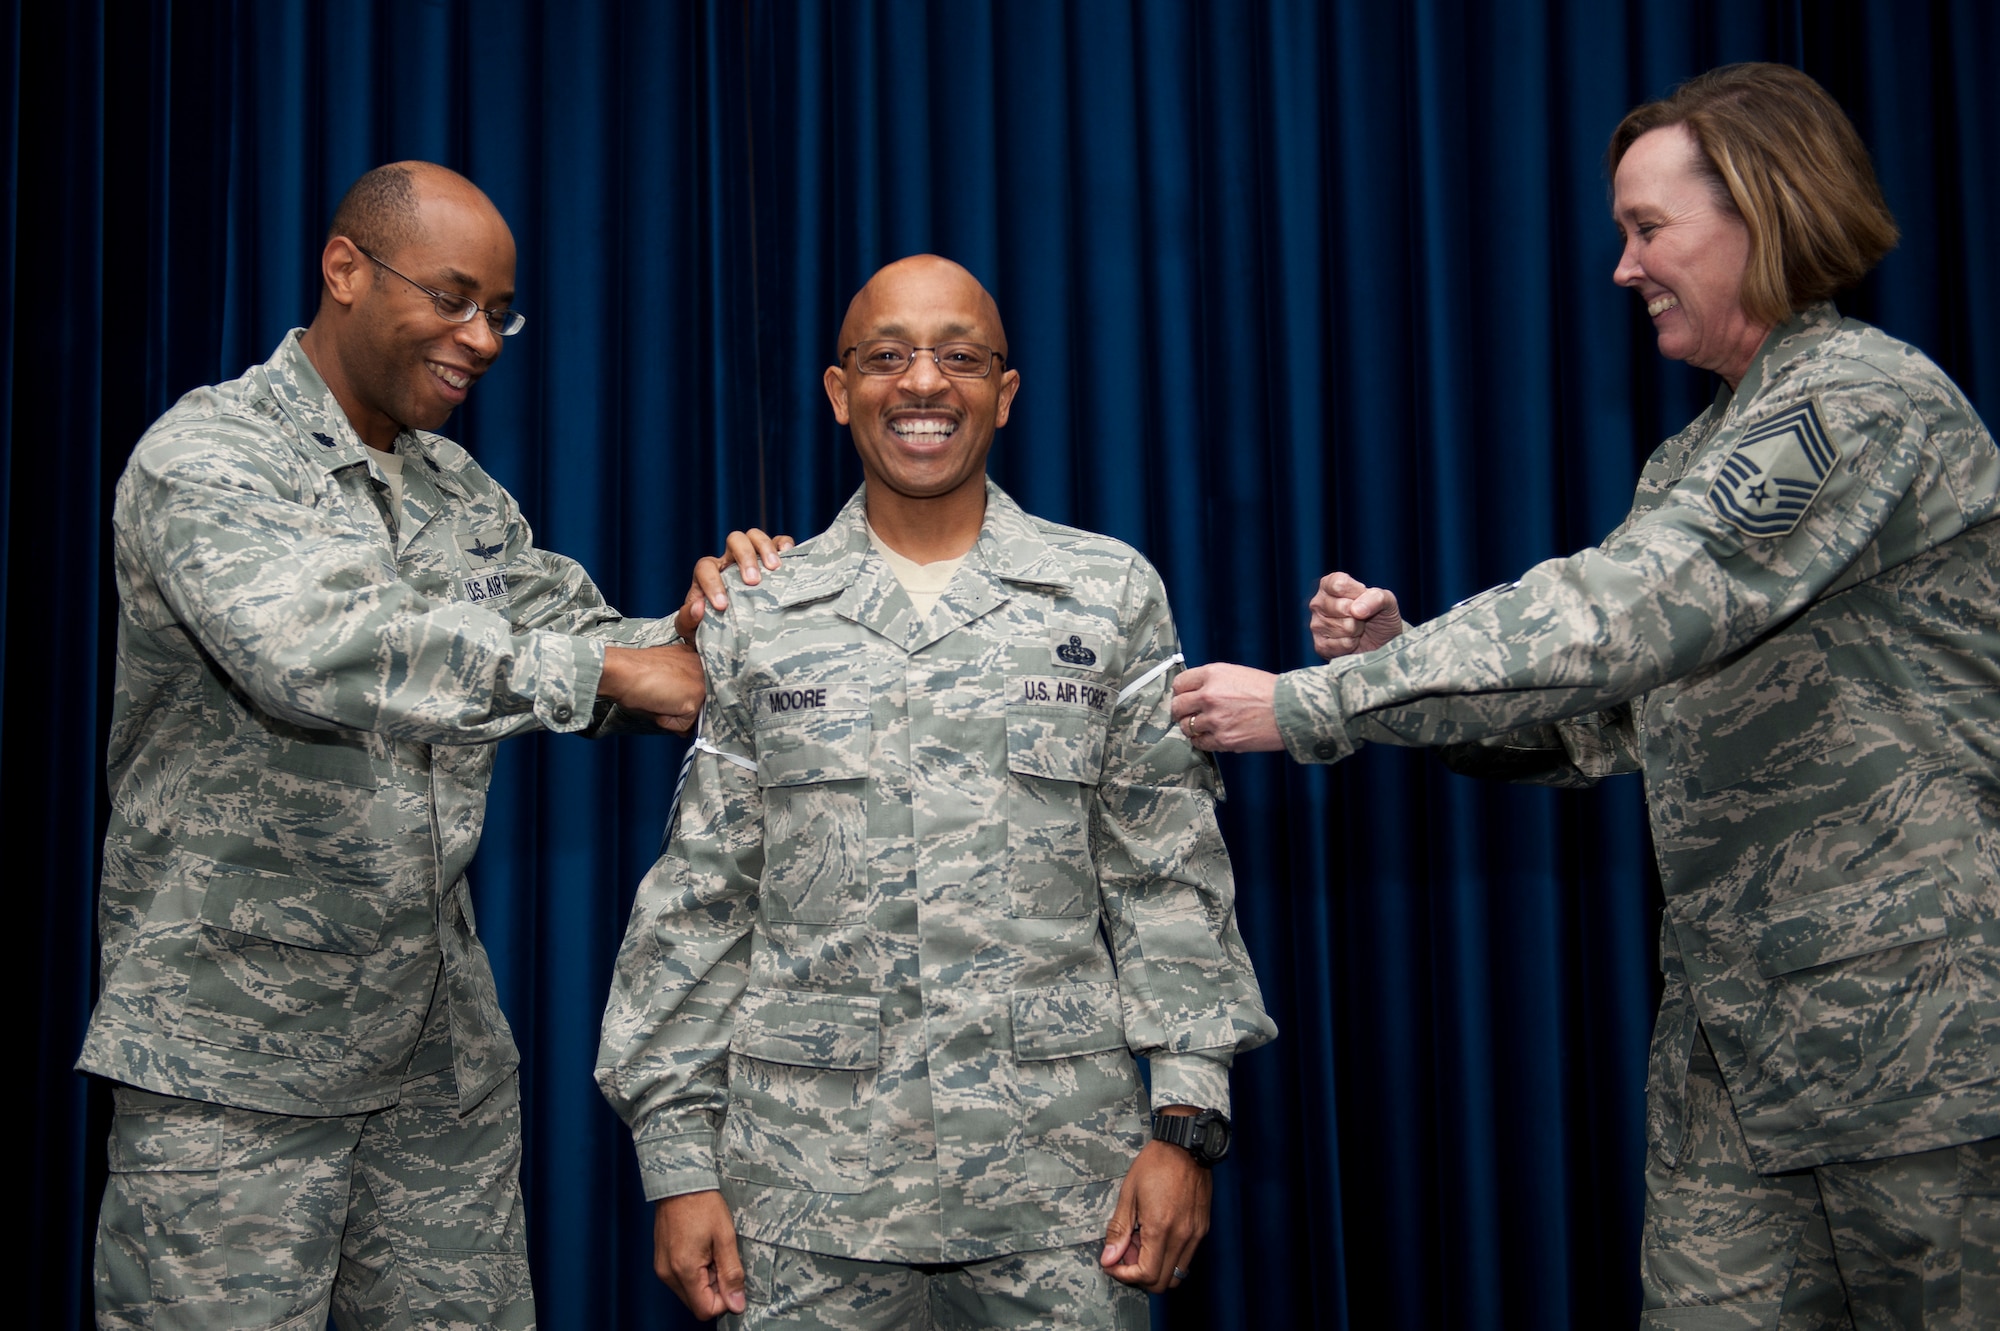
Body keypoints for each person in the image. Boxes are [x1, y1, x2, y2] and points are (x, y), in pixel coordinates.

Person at [1173, 63, 1998, 1327]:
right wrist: (1401, 655)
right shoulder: (1696, 452)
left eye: (1646, 228)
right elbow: (1596, 719)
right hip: (1735, 1043)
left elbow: (1625, 609)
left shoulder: (1854, 402)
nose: (1623, 267)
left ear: (1762, 211)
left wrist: (1313, 704)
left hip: (1918, 1042)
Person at [78, 161, 728, 1330]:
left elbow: (573, 636)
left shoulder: (455, 489)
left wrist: (700, 633)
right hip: (235, 1061)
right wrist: (605, 670)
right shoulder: (210, 456)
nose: (479, 337)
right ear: (345, 269)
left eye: (499, 312)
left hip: (434, 1057)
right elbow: (315, 646)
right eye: (452, 297)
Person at [597, 255, 1275, 1328]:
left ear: (1004, 392)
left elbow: (1167, 873)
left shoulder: (1105, 594)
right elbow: (702, 901)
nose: (923, 382)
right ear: (839, 391)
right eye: (887, 357)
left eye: (959, 357)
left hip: (1063, 1197)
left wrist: (1184, 1123)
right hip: (806, 1202)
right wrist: (678, 1162)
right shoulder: (759, 611)